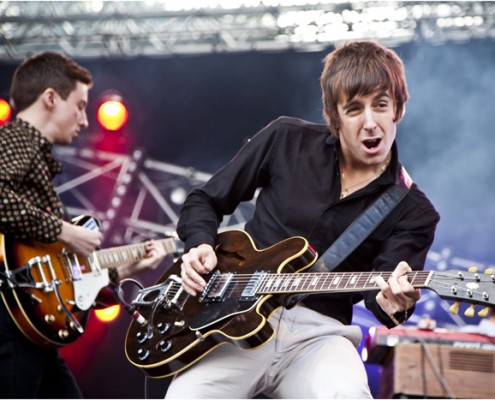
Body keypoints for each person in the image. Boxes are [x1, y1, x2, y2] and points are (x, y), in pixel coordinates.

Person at [166, 40, 440, 398]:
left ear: (398, 110)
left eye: (381, 105)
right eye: (354, 109)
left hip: (321, 336)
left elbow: (383, 298)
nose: (371, 122)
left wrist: (395, 301)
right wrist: (200, 243)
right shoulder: (285, 139)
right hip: (233, 319)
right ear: (334, 116)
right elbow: (205, 199)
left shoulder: (415, 211)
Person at [0, 51, 166, 398]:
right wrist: (65, 231)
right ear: (49, 98)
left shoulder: (36, 161)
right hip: (10, 323)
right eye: (78, 105)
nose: (85, 120)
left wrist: (120, 271)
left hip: (32, 327)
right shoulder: (15, 140)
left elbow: (58, 274)